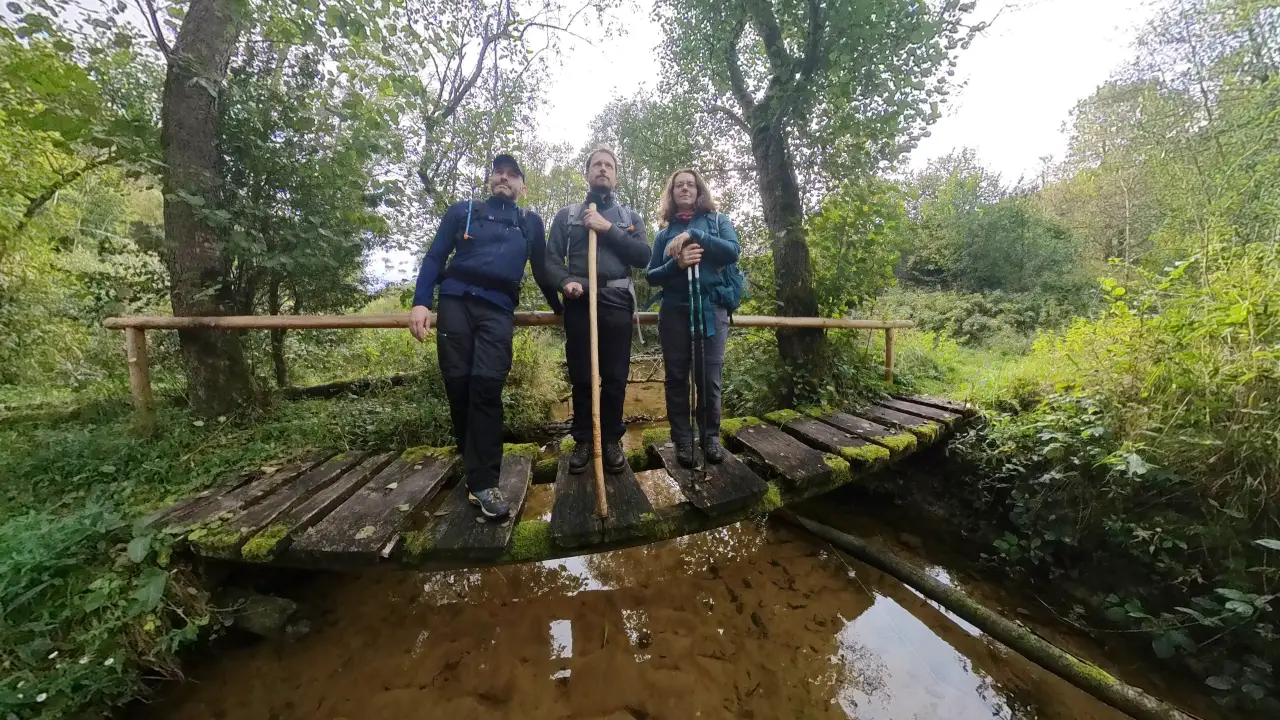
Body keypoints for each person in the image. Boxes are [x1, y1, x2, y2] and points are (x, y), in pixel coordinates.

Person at [408, 153, 563, 520]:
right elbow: (435, 257)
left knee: (487, 386)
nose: (504, 178)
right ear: (491, 180)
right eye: (499, 173)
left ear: (523, 187)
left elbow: (542, 271)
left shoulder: (529, 223)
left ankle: (484, 482)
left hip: (498, 309)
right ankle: (473, 465)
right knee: (458, 385)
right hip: (455, 302)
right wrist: (421, 302)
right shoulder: (463, 212)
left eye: (512, 175)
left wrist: (560, 309)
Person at [545, 146, 651, 474]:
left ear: (616, 176)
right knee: (582, 376)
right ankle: (584, 440)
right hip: (579, 302)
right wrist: (565, 282)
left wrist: (608, 229)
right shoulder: (567, 216)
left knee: (615, 377)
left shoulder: (628, 218)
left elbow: (643, 256)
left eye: (609, 165)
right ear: (588, 173)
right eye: (597, 164)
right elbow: (550, 260)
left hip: (617, 303)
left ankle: (610, 440)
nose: (602, 169)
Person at [646, 168, 741, 467]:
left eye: (690, 184)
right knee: (676, 378)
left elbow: (733, 251)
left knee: (709, 378)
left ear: (699, 190)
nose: (685, 189)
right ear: (672, 193)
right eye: (679, 185)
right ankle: (683, 440)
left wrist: (696, 235)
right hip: (674, 311)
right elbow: (651, 276)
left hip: (711, 309)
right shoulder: (663, 234)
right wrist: (676, 264)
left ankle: (710, 437)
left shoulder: (717, 221)